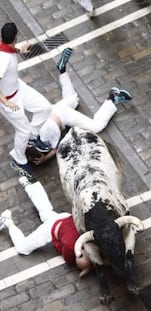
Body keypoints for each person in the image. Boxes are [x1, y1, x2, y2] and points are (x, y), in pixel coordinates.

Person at [29, 48, 132, 163]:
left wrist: (44, 159)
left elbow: (57, 149)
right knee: (73, 99)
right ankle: (62, 71)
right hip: (55, 109)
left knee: (96, 126)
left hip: (64, 116)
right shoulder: (32, 132)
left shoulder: (46, 138)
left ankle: (113, 98)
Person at [0, 176, 92, 277]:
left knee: (46, 212)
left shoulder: (90, 241)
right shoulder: (70, 248)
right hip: (52, 227)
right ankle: (7, 221)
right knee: (22, 248)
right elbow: (67, 257)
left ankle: (30, 184)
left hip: (64, 217)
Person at [0, 22, 52, 181]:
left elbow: (9, 49)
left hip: (18, 88)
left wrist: (20, 49)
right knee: (23, 131)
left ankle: (32, 137)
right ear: (16, 36)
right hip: (8, 100)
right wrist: (5, 102)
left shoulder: (5, 48)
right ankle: (19, 160)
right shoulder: (3, 60)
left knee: (45, 107)